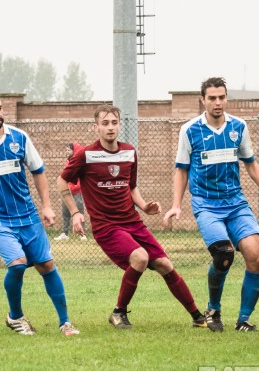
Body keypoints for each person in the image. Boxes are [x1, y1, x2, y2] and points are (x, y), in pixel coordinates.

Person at [57, 105, 207, 329]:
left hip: (132, 222)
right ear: (96, 127)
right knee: (140, 257)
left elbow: (131, 187)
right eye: (105, 123)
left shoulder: (129, 152)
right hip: (106, 226)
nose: (110, 128)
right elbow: (61, 182)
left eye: (114, 122)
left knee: (165, 264)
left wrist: (145, 207)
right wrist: (76, 212)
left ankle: (198, 317)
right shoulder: (85, 155)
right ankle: (119, 313)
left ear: (119, 124)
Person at [162, 77, 259, 333]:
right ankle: (213, 309)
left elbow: (250, 163)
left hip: (236, 203)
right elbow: (181, 170)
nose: (217, 102)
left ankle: (243, 320)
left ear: (226, 98)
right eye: (212, 98)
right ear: (203, 100)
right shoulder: (189, 130)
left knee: (255, 256)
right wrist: (176, 204)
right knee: (224, 255)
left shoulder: (238, 127)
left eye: (221, 97)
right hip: (206, 204)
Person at [0, 90, 80, 337]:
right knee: (17, 264)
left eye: (0, 108)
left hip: (27, 215)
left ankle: (66, 322)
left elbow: (38, 171)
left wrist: (46, 206)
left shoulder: (19, 138)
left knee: (46, 264)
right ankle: (15, 316)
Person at [55, 142, 87, 241]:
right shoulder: (68, 161)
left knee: (79, 212)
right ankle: (65, 233)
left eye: (69, 150)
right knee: (65, 213)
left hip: (76, 192)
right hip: (67, 192)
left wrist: (75, 187)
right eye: (66, 150)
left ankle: (82, 234)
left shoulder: (78, 161)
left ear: (74, 151)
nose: (66, 151)